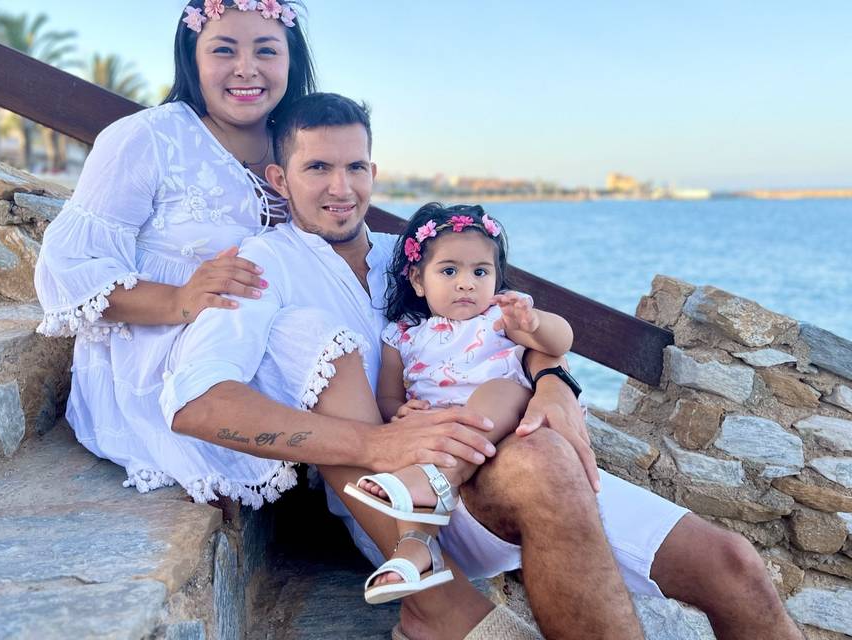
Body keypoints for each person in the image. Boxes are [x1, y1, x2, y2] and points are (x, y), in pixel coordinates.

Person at [164, 92, 802, 640]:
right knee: (548, 463)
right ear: (278, 178)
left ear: (374, 170)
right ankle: (432, 596)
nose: (341, 187)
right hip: (412, 504)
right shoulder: (260, 265)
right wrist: (379, 440)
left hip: (500, 446)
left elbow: (515, 328)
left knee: (734, 566)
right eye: (318, 168)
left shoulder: (415, 254)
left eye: (355, 166)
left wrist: (554, 381)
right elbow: (197, 404)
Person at [33, 0, 321, 504]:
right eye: (224, 50)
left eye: (266, 50)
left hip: (259, 335)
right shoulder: (149, 137)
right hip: (159, 358)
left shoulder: (297, 146)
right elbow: (68, 264)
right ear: (193, 59)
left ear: (291, 61)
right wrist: (179, 300)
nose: (246, 69)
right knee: (320, 347)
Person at [347, 203, 576, 604]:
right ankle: (417, 550)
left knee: (499, 391)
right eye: (449, 271)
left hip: (502, 415)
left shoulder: (501, 314)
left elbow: (562, 342)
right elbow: (388, 395)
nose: (466, 283)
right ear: (418, 280)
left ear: (496, 278)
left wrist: (535, 325)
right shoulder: (401, 335)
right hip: (439, 431)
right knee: (408, 449)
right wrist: (399, 413)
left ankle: (437, 480)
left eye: (480, 272)